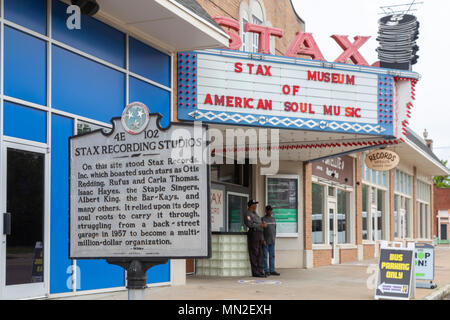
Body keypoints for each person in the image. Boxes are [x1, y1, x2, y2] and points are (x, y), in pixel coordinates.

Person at [244, 200, 268, 278]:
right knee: (254, 253)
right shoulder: (248, 214)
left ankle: (261, 271)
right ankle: (255, 272)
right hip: (253, 234)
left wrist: (263, 237)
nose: (256, 206)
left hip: (260, 234)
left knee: (260, 253)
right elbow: (250, 224)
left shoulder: (255, 213)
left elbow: (259, 224)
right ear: (251, 205)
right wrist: (260, 225)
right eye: (254, 204)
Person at [262, 206, 280, 276]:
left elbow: (274, 229)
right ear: (266, 211)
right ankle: (266, 270)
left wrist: (274, 237)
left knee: (272, 256)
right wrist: (263, 239)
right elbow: (261, 230)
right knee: (265, 256)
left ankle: (272, 270)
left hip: (272, 241)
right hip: (265, 241)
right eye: (269, 210)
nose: (270, 211)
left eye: (271, 210)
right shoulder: (263, 219)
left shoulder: (273, 219)